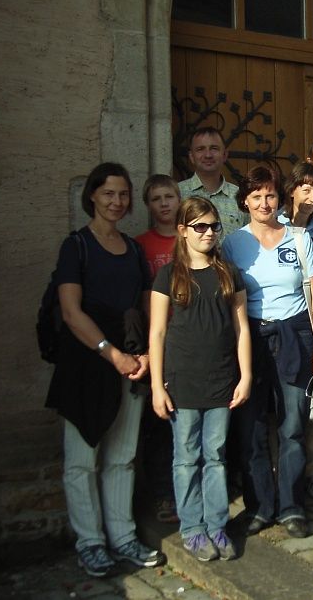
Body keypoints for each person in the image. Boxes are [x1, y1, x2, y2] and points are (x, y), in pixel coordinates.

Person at [45, 162, 166, 577]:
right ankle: (90, 542)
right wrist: (111, 354)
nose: (117, 201)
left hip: (131, 364)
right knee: (82, 459)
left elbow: (145, 304)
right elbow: (71, 311)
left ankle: (123, 536)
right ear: (93, 196)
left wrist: (146, 355)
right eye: (109, 193)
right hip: (87, 362)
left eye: (123, 194)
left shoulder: (132, 249)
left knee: (123, 457)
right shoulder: (76, 246)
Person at [223, 165, 313, 539]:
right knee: (251, 427)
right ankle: (259, 507)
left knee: (293, 425)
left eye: (269, 195)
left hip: (294, 335)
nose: (264, 203)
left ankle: (291, 507)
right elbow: (228, 299)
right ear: (245, 202)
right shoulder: (233, 244)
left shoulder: (299, 239)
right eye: (256, 196)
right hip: (250, 337)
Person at [149, 197, 251, 561]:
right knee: (186, 457)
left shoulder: (228, 273)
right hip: (183, 381)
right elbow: (157, 332)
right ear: (183, 230)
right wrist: (156, 385)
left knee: (216, 455)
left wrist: (246, 375)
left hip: (221, 379)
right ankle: (192, 528)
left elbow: (241, 328)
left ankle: (217, 525)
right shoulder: (169, 275)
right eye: (200, 227)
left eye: (213, 226)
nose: (208, 233)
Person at [277, 162, 313, 499]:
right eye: (306, 188)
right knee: (286, 402)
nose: (312, 195)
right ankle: (282, 469)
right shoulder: (276, 224)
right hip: (286, 322)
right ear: (292, 190)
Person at [136, 174, 181, 524]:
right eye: (156, 199)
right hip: (159, 339)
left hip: (192, 340)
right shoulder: (141, 245)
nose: (164, 204)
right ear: (148, 205)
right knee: (161, 423)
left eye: (169, 197)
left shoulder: (190, 237)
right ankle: (165, 493)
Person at [179, 127, 247, 236]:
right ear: (191, 156)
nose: (208, 155)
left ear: (224, 155)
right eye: (200, 149)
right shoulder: (178, 194)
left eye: (214, 148)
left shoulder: (240, 196)